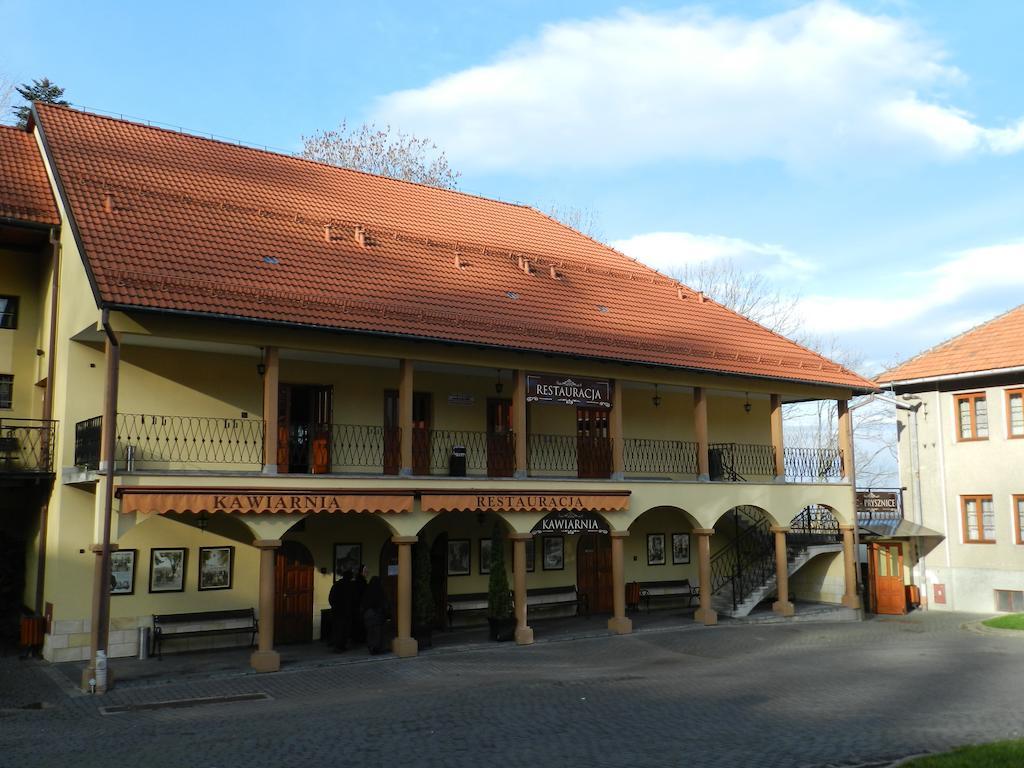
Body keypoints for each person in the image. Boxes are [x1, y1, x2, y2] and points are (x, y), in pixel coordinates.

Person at [360, 576, 390, 654]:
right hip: (377, 614)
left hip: (368, 614)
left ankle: (371, 647)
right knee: (377, 632)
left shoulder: (367, 591)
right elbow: (384, 603)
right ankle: (376, 648)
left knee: (370, 632)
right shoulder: (380, 591)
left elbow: (363, 603)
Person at [328, 570, 354, 652]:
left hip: (337, 611)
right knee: (343, 630)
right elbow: (352, 599)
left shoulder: (337, 585)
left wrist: (334, 606)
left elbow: (331, 598)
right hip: (345, 611)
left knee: (338, 629)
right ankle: (340, 646)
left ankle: (338, 645)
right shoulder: (350, 586)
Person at [351, 564, 368, 644]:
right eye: (365, 571)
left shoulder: (358, 581)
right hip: (359, 606)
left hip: (357, 606)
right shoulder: (361, 582)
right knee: (360, 624)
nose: (367, 572)